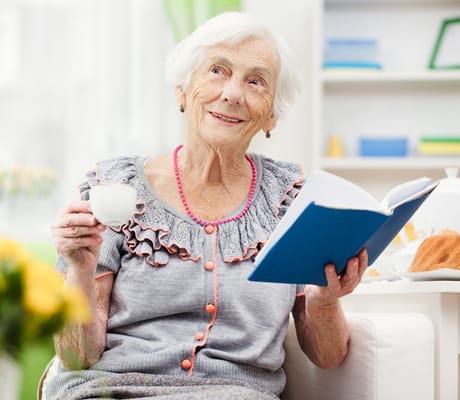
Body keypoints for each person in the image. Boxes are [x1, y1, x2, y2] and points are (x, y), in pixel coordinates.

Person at [46, 11, 367, 400]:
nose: (232, 93)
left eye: (256, 81)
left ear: (272, 116)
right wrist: (80, 269)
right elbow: (76, 356)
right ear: (183, 90)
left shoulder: (291, 200)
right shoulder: (115, 188)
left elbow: (328, 357)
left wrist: (324, 301)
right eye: (218, 70)